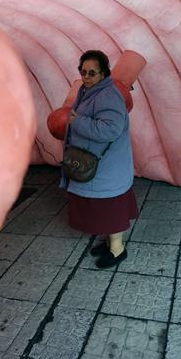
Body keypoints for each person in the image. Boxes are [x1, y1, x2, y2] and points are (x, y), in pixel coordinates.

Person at [60, 50, 138, 268]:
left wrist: (78, 121)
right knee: (105, 210)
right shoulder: (89, 90)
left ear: (104, 73)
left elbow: (111, 129)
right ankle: (110, 244)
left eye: (92, 73)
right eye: (83, 72)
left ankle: (117, 250)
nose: (86, 76)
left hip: (105, 168)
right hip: (100, 167)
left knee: (111, 209)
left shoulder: (108, 95)